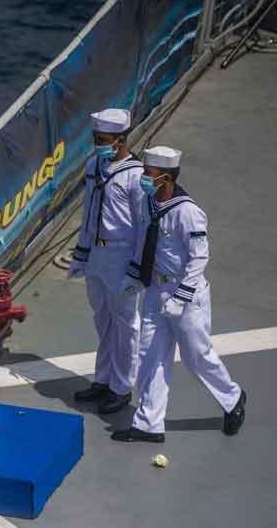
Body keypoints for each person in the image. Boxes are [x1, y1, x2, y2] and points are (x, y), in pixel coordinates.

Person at [111, 146, 246, 443]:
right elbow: (143, 244)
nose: (143, 177)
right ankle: (148, 424)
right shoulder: (149, 203)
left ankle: (232, 398)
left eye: (149, 173)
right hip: (156, 291)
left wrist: (181, 297)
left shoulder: (188, 213)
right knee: (151, 357)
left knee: (197, 357)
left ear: (167, 178)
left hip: (185, 295)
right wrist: (134, 277)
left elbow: (199, 258)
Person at [68, 109, 145, 414]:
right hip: (96, 254)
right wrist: (82, 252)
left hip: (121, 254)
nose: (97, 144)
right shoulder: (94, 166)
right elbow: (88, 213)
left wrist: (138, 267)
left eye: (103, 140)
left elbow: (143, 225)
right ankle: (102, 380)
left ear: (121, 140)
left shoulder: (137, 176)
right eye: (95, 139)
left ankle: (122, 387)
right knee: (103, 318)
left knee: (126, 324)